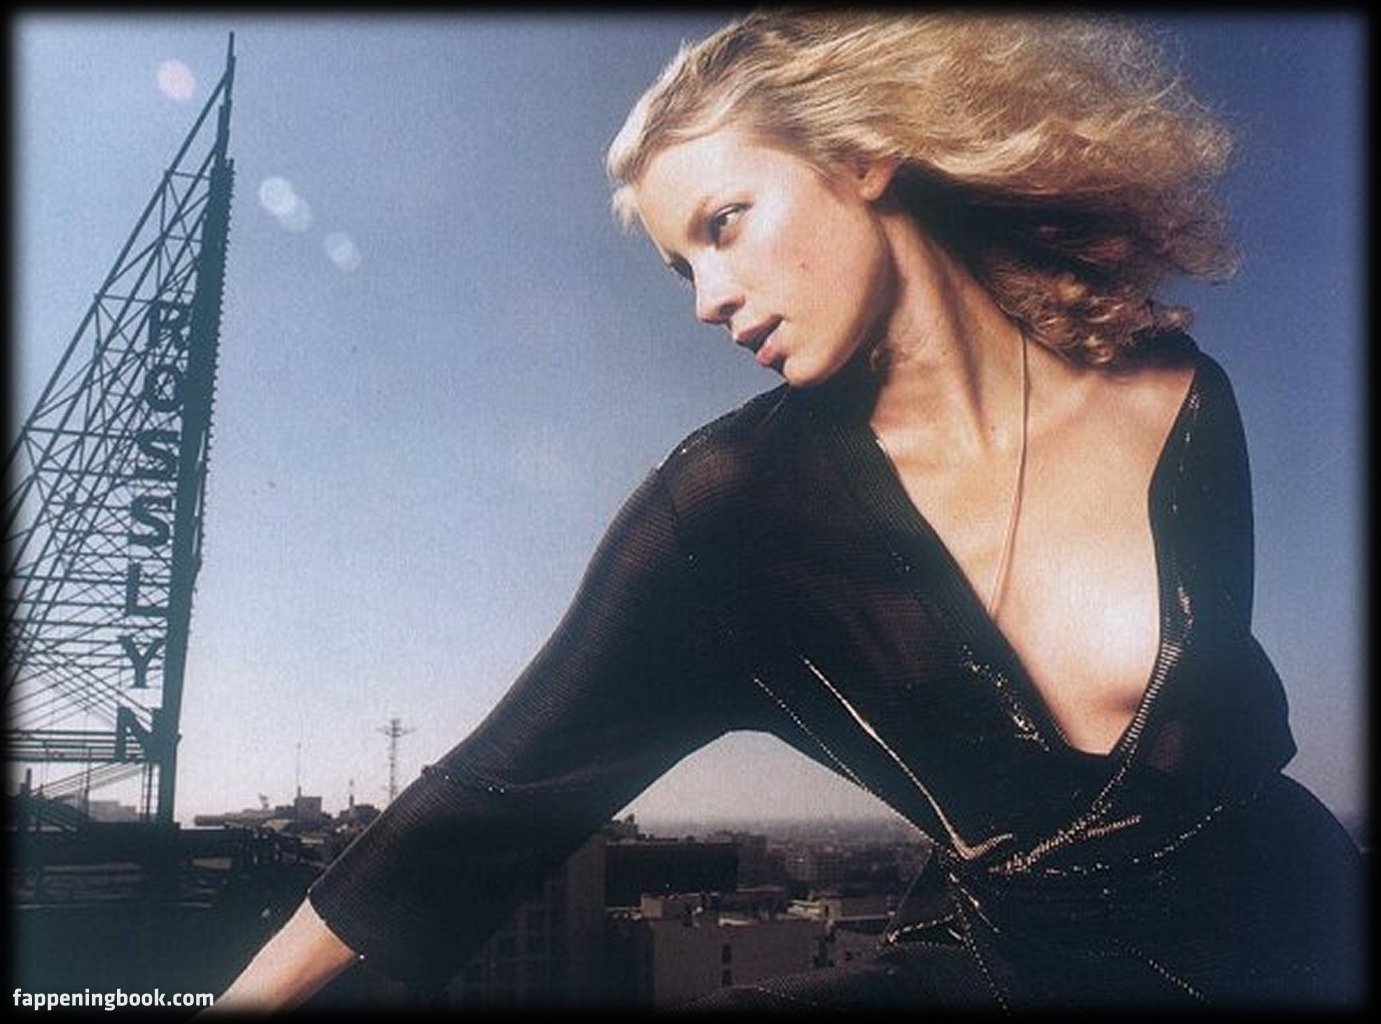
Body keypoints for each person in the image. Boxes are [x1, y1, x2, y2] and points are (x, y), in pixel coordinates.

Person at [213, 10, 1362, 1012]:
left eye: (723, 224)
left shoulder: (1174, 393)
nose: (708, 300)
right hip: (1022, 973)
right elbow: (489, 794)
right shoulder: (729, 513)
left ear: (863, 155)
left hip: (1303, 928)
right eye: (682, 269)